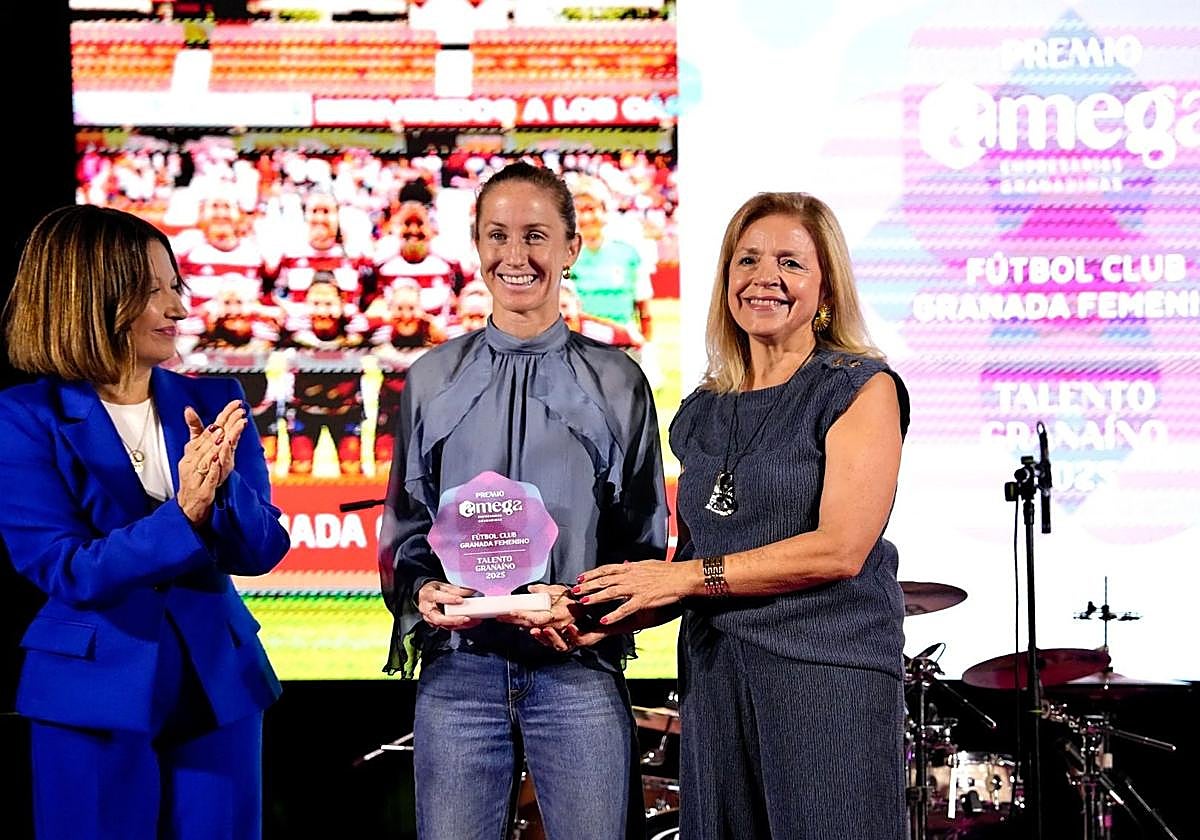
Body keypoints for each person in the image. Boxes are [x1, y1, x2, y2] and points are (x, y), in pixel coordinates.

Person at [572, 192, 910, 839]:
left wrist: (683, 578)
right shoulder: (702, 409)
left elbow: (840, 548)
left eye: (791, 263)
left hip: (825, 674)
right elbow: (688, 566)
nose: (765, 278)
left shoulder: (861, 386)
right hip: (716, 674)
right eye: (747, 259)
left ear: (827, 286)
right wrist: (599, 613)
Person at [377, 161, 669, 840]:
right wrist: (422, 591)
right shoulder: (430, 378)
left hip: (576, 670)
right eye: (498, 235)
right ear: (476, 246)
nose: (516, 255)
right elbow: (406, 529)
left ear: (571, 247)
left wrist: (583, 608)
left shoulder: (619, 380)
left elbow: (644, 539)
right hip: (459, 675)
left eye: (536, 235)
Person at [0, 205, 291, 840]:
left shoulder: (217, 401)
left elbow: (263, 546)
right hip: (90, 690)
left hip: (220, 683)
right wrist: (183, 514)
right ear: (89, 297)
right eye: (152, 290)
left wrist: (223, 494)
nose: (179, 309)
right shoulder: (25, 416)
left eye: (176, 286)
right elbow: (64, 568)